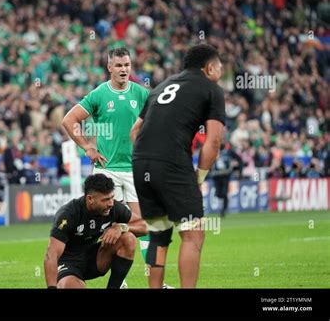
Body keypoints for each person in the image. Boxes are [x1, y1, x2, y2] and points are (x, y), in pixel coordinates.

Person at [130, 44, 225, 288]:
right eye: (220, 66)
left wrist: (148, 157)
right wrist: (199, 177)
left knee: (158, 238)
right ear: (210, 67)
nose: (222, 71)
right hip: (171, 163)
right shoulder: (211, 89)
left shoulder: (160, 87)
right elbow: (213, 141)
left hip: (141, 163)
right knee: (193, 234)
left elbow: (135, 131)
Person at [62, 47, 154, 287]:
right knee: (104, 224)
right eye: (119, 65)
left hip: (134, 168)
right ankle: (117, 280)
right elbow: (69, 120)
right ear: (109, 67)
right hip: (107, 170)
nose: (124, 69)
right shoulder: (99, 94)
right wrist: (87, 147)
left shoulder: (142, 94)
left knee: (141, 225)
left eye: (127, 65)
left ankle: (155, 282)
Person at [44, 173, 147, 288]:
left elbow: (145, 226)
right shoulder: (68, 214)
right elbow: (51, 254)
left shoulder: (113, 208)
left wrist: (121, 227)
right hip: (68, 263)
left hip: (95, 259)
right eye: (105, 200)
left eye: (112, 197)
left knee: (128, 238)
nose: (111, 203)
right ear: (90, 199)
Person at [210, 142, 242, 217]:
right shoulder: (213, 152)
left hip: (225, 175)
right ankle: (225, 204)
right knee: (218, 194)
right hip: (216, 176)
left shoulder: (229, 152)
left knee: (224, 193)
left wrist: (239, 171)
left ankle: (223, 210)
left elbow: (239, 160)